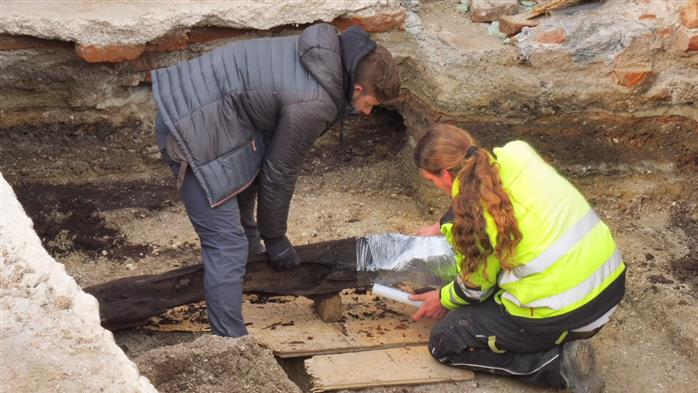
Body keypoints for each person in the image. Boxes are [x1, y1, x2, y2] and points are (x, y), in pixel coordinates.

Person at [150, 23, 401, 337]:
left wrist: (257, 240)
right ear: (359, 89)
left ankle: (249, 263)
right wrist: (276, 239)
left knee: (242, 223)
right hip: (190, 124)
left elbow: (261, 159)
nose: (366, 113)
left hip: (212, 108)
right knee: (226, 245)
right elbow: (278, 176)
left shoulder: (325, 57)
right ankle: (232, 346)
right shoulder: (314, 103)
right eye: (371, 105)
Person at [409, 124, 625, 392]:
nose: (436, 187)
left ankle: (556, 366)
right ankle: (562, 340)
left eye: (432, 181)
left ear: (444, 174)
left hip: (565, 312)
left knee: (445, 341)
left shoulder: (475, 219)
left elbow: (474, 289)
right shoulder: (518, 152)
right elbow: (474, 192)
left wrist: (441, 298)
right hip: (609, 288)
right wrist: (441, 223)